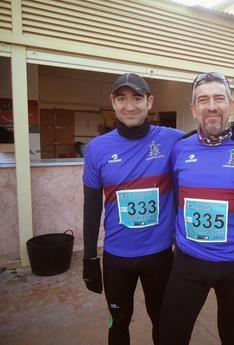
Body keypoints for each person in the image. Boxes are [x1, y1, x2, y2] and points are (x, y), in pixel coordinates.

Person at [158, 72, 234, 345]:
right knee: (170, 335)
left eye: (219, 98)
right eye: (203, 100)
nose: (211, 106)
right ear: (194, 109)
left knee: (232, 337)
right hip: (189, 260)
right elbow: (174, 195)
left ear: (231, 106)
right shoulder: (180, 149)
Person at [82, 73, 183, 345]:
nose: (130, 106)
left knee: (163, 323)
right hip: (117, 258)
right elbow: (92, 206)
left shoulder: (173, 140)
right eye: (122, 98)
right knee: (118, 324)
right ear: (112, 102)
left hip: (159, 256)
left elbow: (210, 139)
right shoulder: (97, 149)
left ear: (149, 101)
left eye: (137, 98)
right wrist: (90, 257)